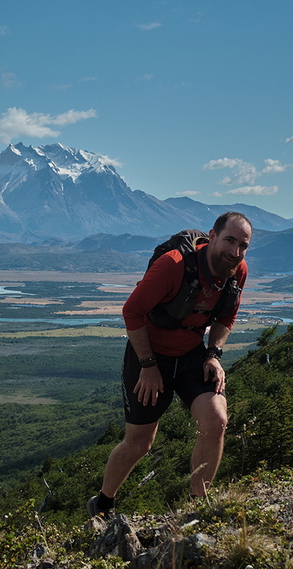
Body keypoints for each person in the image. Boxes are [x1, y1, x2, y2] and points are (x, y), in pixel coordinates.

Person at [87, 212, 252, 517]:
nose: (236, 251)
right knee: (139, 443)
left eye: (243, 245)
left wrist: (214, 354)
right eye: (230, 240)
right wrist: (148, 366)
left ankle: (196, 508)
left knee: (216, 421)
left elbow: (226, 316)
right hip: (149, 355)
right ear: (212, 236)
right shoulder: (174, 265)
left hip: (192, 355)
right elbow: (132, 312)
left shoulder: (236, 270)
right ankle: (103, 504)